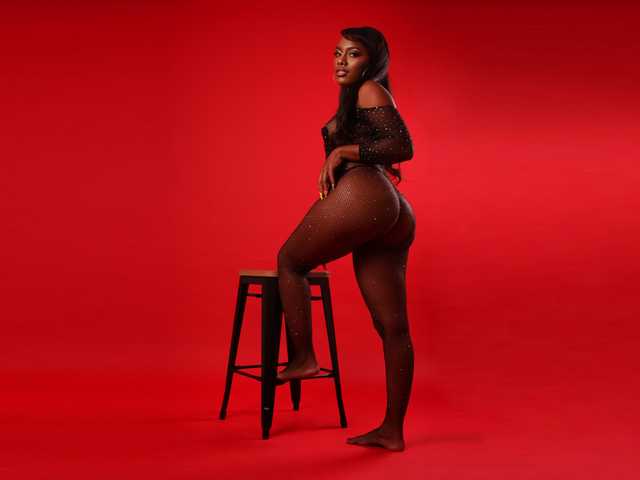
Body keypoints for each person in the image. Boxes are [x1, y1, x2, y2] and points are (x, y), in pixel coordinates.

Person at [276, 26, 416, 452]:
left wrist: (341, 152)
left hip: (366, 195)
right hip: (388, 208)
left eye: (352, 54)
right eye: (337, 53)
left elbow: (401, 145)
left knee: (290, 262)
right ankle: (392, 431)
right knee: (391, 326)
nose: (341, 61)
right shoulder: (358, 96)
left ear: (371, 62)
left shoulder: (370, 90)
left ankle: (304, 357)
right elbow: (385, 146)